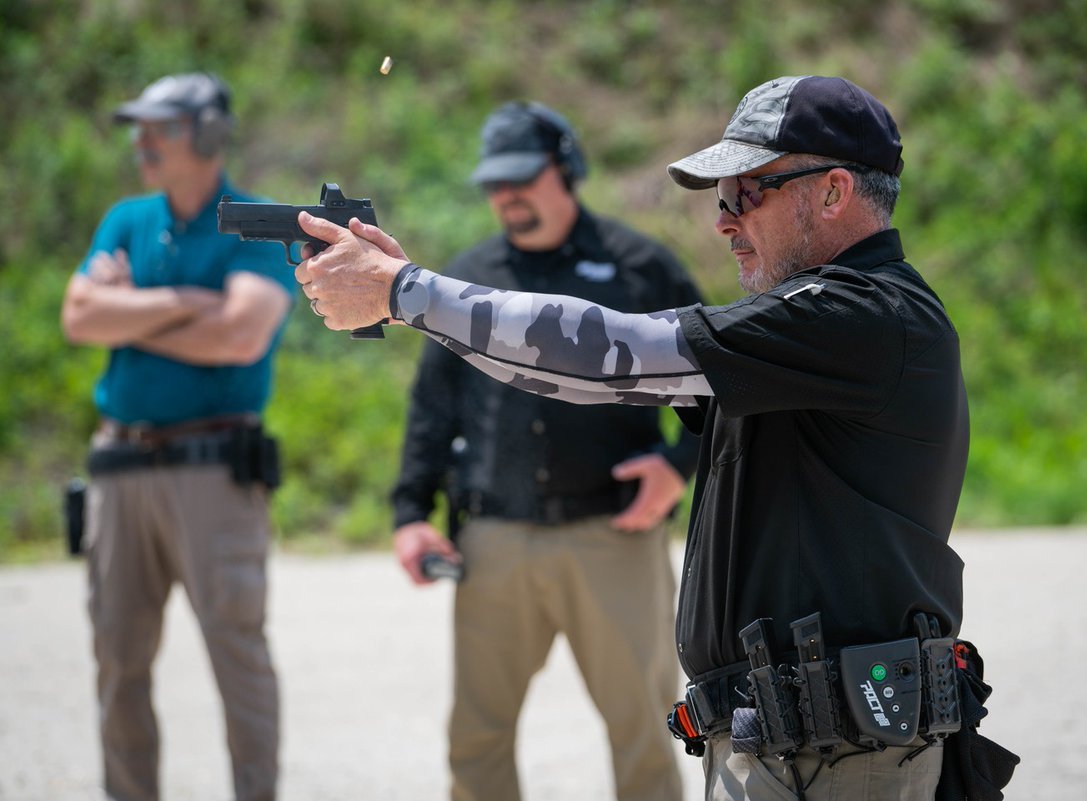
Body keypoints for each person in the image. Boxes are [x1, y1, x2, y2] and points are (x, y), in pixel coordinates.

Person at [295, 75, 1018, 801]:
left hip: (838, 760)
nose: (724, 220)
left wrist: (405, 292)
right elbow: (582, 370)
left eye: (748, 193)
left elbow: (609, 353)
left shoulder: (859, 315)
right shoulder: (823, 320)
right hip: (797, 747)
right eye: (720, 198)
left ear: (832, 192)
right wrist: (408, 301)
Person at [389, 101, 703, 801]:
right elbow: (431, 408)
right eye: (495, 185)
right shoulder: (464, 278)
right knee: (476, 738)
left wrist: (677, 469)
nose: (507, 197)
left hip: (614, 535)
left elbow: (718, 395)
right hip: (493, 541)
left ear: (568, 169)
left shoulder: (641, 268)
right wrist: (412, 510)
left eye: (522, 179)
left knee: (647, 735)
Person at [61, 72, 293, 801]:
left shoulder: (255, 220)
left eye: (159, 129)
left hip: (212, 470)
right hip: (119, 465)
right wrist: (185, 301)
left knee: (237, 654)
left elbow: (239, 335)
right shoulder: (126, 219)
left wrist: (127, 306)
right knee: (117, 660)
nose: (142, 144)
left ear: (208, 135)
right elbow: (77, 318)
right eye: (140, 129)